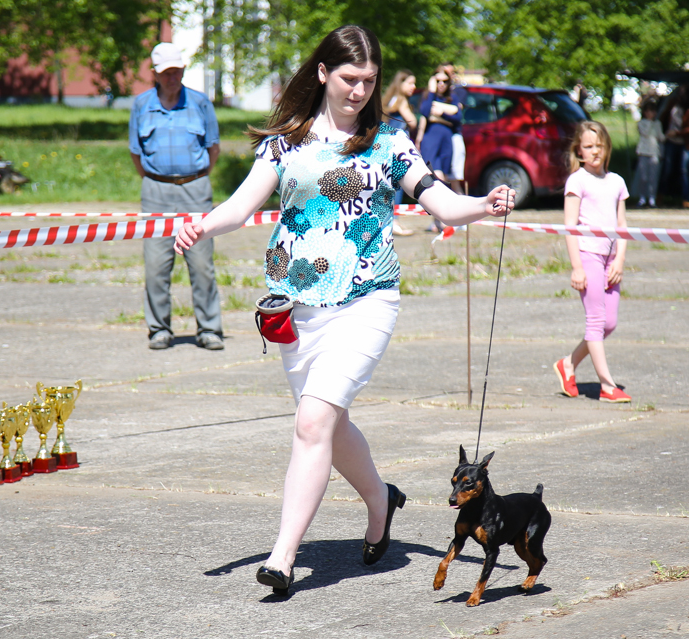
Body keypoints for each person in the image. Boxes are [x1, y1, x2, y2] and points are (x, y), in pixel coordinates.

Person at [173, 25, 515, 594]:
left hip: (367, 300)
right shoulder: (286, 142)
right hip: (296, 307)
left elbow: (442, 203)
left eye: (369, 81)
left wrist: (484, 203)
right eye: (349, 79)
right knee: (328, 428)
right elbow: (239, 206)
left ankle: (282, 559)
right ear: (322, 73)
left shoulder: (389, 143)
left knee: (313, 422)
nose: (359, 91)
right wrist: (200, 226)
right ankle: (381, 500)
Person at [129, 42, 224, 350]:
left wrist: (194, 178)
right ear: (155, 74)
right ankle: (159, 329)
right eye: (166, 73)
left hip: (195, 189)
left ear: (183, 70)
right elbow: (135, 152)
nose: (172, 78)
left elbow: (213, 148)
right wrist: (156, 180)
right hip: (155, 190)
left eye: (177, 71)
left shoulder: (200, 103)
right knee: (156, 266)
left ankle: (209, 329)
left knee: (202, 265)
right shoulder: (141, 105)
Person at [554, 121, 630, 404]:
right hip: (588, 255)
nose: (595, 151)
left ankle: (568, 363)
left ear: (607, 147)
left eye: (599, 146)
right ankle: (607, 386)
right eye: (588, 146)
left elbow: (622, 225)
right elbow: (570, 226)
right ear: (579, 151)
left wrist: (620, 259)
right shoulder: (577, 181)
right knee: (596, 321)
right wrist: (577, 266)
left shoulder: (617, 182)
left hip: (611, 258)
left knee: (609, 323)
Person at [416, 68, 462, 232]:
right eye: (438, 81)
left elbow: (458, 118)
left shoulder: (453, 98)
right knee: (435, 177)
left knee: (444, 177)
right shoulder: (428, 96)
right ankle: (440, 218)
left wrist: (442, 112)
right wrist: (431, 91)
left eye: (444, 81)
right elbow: (424, 111)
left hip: (446, 139)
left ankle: (440, 219)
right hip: (431, 139)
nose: (441, 84)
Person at [381, 69, 418, 236]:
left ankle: (390, 221)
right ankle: (394, 222)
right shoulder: (401, 101)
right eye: (410, 83)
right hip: (397, 150)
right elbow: (412, 121)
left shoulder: (390, 100)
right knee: (398, 186)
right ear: (400, 83)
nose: (413, 87)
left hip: (387, 146)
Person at [440, 62, 467, 195]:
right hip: (440, 139)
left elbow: (457, 113)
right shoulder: (435, 94)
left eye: (449, 74)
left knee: (454, 181)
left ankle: (463, 207)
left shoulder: (458, 92)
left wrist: (440, 110)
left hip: (453, 136)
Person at [633, 100, 664, 208]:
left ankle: (652, 198)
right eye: (650, 111)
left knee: (653, 178)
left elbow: (661, 137)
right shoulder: (641, 123)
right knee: (643, 177)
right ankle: (642, 198)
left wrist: (668, 135)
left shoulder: (658, 124)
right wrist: (650, 122)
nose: (652, 113)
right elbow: (645, 133)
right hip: (643, 152)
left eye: (653, 111)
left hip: (654, 152)